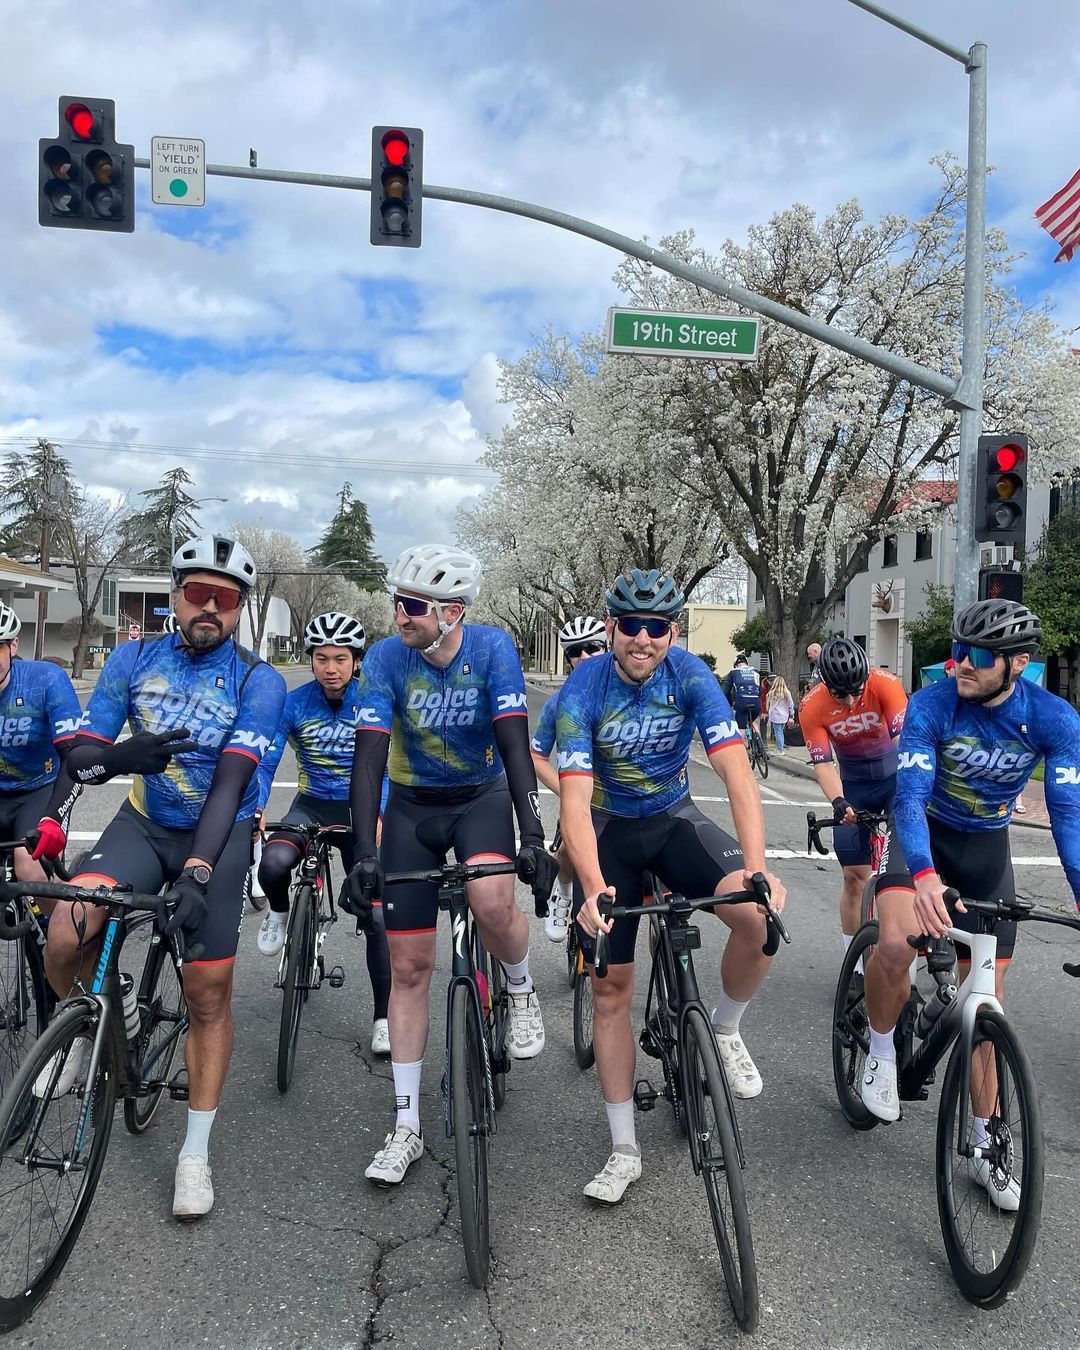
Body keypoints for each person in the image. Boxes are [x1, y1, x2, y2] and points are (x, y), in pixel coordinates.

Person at [32, 535, 286, 1220]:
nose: (210, 607)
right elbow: (81, 757)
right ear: (175, 595)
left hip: (218, 832)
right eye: (197, 593)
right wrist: (121, 756)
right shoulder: (132, 657)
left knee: (207, 993)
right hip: (142, 827)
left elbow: (234, 781)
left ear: (239, 610)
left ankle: (195, 1154)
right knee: (64, 934)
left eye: (225, 598)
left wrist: (200, 872)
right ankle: (93, 1023)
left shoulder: (258, 681)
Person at [557, 567, 787, 1204]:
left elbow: (738, 774)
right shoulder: (586, 684)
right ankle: (624, 1147)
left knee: (759, 918)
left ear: (672, 632)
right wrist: (596, 885)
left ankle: (726, 1028)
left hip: (675, 821)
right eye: (630, 626)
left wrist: (761, 866)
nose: (642, 639)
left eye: (656, 628)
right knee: (612, 991)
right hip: (611, 833)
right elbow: (575, 804)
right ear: (611, 630)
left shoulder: (690, 676)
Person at [345, 544, 557, 1187]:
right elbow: (370, 758)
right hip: (412, 806)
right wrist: (363, 852)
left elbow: (515, 742)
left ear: (452, 612)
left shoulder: (491, 649)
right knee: (408, 966)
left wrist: (532, 833)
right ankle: (405, 1125)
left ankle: (518, 985)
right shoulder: (385, 658)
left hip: (481, 797)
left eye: (411, 606)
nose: (398, 615)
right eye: (397, 603)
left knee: (494, 901)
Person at [860, 600, 1080, 1211]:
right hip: (923, 838)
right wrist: (925, 875)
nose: (960, 664)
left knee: (986, 1006)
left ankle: (986, 1142)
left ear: (1018, 664)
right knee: (898, 943)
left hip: (987, 849)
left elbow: (1067, 815)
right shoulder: (933, 704)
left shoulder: (1054, 720)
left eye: (978, 656)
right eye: (957, 650)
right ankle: (880, 1050)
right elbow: (908, 797)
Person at [255, 611, 392, 1055]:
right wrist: (257, 804)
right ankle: (279, 912)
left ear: (356, 662)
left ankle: (384, 1017)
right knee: (273, 864)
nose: (330, 668)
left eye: (340, 659)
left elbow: (385, 768)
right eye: (320, 658)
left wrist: (380, 816)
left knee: (374, 916)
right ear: (310, 659)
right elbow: (269, 756)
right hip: (311, 804)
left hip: (360, 809)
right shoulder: (294, 703)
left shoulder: (372, 700)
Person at [798, 638, 907, 957]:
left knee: (904, 867)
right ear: (824, 684)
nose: (848, 701)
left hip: (894, 781)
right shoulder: (812, 705)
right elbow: (824, 764)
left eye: (855, 691)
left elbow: (906, 745)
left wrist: (914, 794)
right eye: (839, 693)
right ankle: (855, 963)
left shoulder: (886, 685)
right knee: (854, 877)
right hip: (853, 786)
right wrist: (838, 801)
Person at [0, 602, 81, 917]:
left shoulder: (45, 680)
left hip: (39, 790)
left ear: (14, 645)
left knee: (29, 870)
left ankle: (58, 937)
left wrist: (52, 817)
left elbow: (75, 760)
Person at [530, 614, 608, 941]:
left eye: (593, 647)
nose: (585, 656)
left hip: (626, 799)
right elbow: (535, 756)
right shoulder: (556, 704)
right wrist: (567, 792)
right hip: (580, 796)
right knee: (568, 850)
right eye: (576, 651)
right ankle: (563, 893)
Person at [721, 655, 762, 742]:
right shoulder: (756, 671)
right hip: (756, 701)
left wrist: (730, 704)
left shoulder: (733, 672)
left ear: (735, 665)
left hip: (742, 701)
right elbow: (759, 689)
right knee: (754, 721)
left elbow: (726, 692)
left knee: (741, 726)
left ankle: (742, 747)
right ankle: (759, 742)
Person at [763, 675, 795, 753]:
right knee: (781, 732)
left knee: (778, 733)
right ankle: (781, 747)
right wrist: (792, 715)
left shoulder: (772, 693)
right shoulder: (787, 693)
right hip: (784, 715)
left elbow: (767, 704)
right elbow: (791, 705)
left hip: (775, 716)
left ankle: (779, 749)